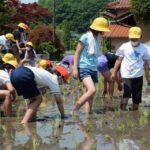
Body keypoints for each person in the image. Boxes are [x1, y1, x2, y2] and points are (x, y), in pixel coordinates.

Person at [72, 17, 110, 114]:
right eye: (102, 29)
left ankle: (87, 115)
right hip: (84, 67)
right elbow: (77, 53)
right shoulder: (85, 37)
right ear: (98, 28)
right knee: (92, 90)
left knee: (90, 94)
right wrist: (75, 68)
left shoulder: (97, 39)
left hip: (93, 68)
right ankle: (74, 110)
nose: (103, 32)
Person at [111, 26, 150, 111]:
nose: (134, 41)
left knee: (137, 98)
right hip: (126, 74)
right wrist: (114, 72)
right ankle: (122, 113)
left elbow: (146, 64)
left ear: (140, 37)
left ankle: (135, 115)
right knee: (126, 95)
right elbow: (118, 60)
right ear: (129, 37)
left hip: (138, 75)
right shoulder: (124, 46)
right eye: (132, 38)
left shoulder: (144, 48)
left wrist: (148, 77)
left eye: (136, 39)